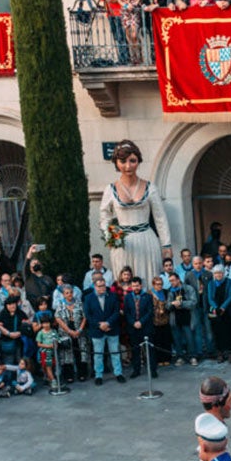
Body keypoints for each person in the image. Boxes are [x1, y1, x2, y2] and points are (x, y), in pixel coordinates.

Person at [98, 141, 172, 290]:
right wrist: (111, 236)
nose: (128, 166)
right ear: (116, 163)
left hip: (147, 239)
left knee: (150, 279)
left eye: (132, 161)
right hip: (123, 243)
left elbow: (160, 218)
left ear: (138, 161)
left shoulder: (150, 187)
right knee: (124, 283)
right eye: (123, 161)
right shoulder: (110, 189)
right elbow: (104, 216)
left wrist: (166, 245)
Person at [82, 278, 125, 386]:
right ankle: (98, 375)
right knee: (98, 354)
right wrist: (99, 325)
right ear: (95, 287)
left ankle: (118, 373)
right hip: (97, 330)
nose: (102, 288)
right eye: (99, 286)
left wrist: (108, 323)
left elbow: (116, 312)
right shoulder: (88, 298)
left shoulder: (113, 296)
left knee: (115, 352)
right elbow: (88, 315)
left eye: (103, 285)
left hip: (112, 329)